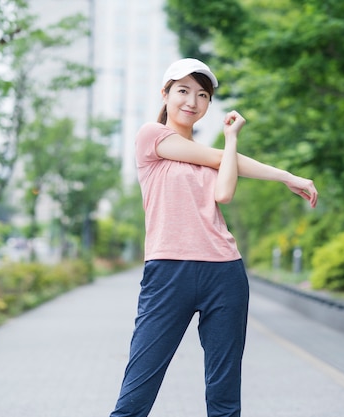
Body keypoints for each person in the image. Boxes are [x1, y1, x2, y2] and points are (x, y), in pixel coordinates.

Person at [109, 58, 318, 417]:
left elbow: (224, 193)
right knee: (136, 393)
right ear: (165, 94)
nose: (192, 101)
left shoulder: (214, 158)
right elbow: (218, 157)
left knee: (224, 397)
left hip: (224, 273)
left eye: (202, 94)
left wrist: (233, 138)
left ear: (208, 104)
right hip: (168, 274)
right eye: (183, 91)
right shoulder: (151, 136)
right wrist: (286, 175)